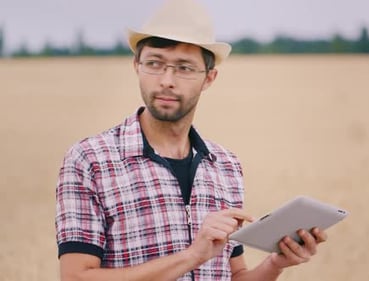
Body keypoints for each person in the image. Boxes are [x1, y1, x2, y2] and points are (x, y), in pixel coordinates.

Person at [55, 0, 327, 280]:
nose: (166, 80)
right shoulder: (90, 160)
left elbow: (234, 275)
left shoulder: (225, 166)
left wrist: (275, 264)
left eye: (184, 68)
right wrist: (192, 256)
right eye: (154, 63)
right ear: (136, 65)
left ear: (209, 78)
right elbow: (76, 277)